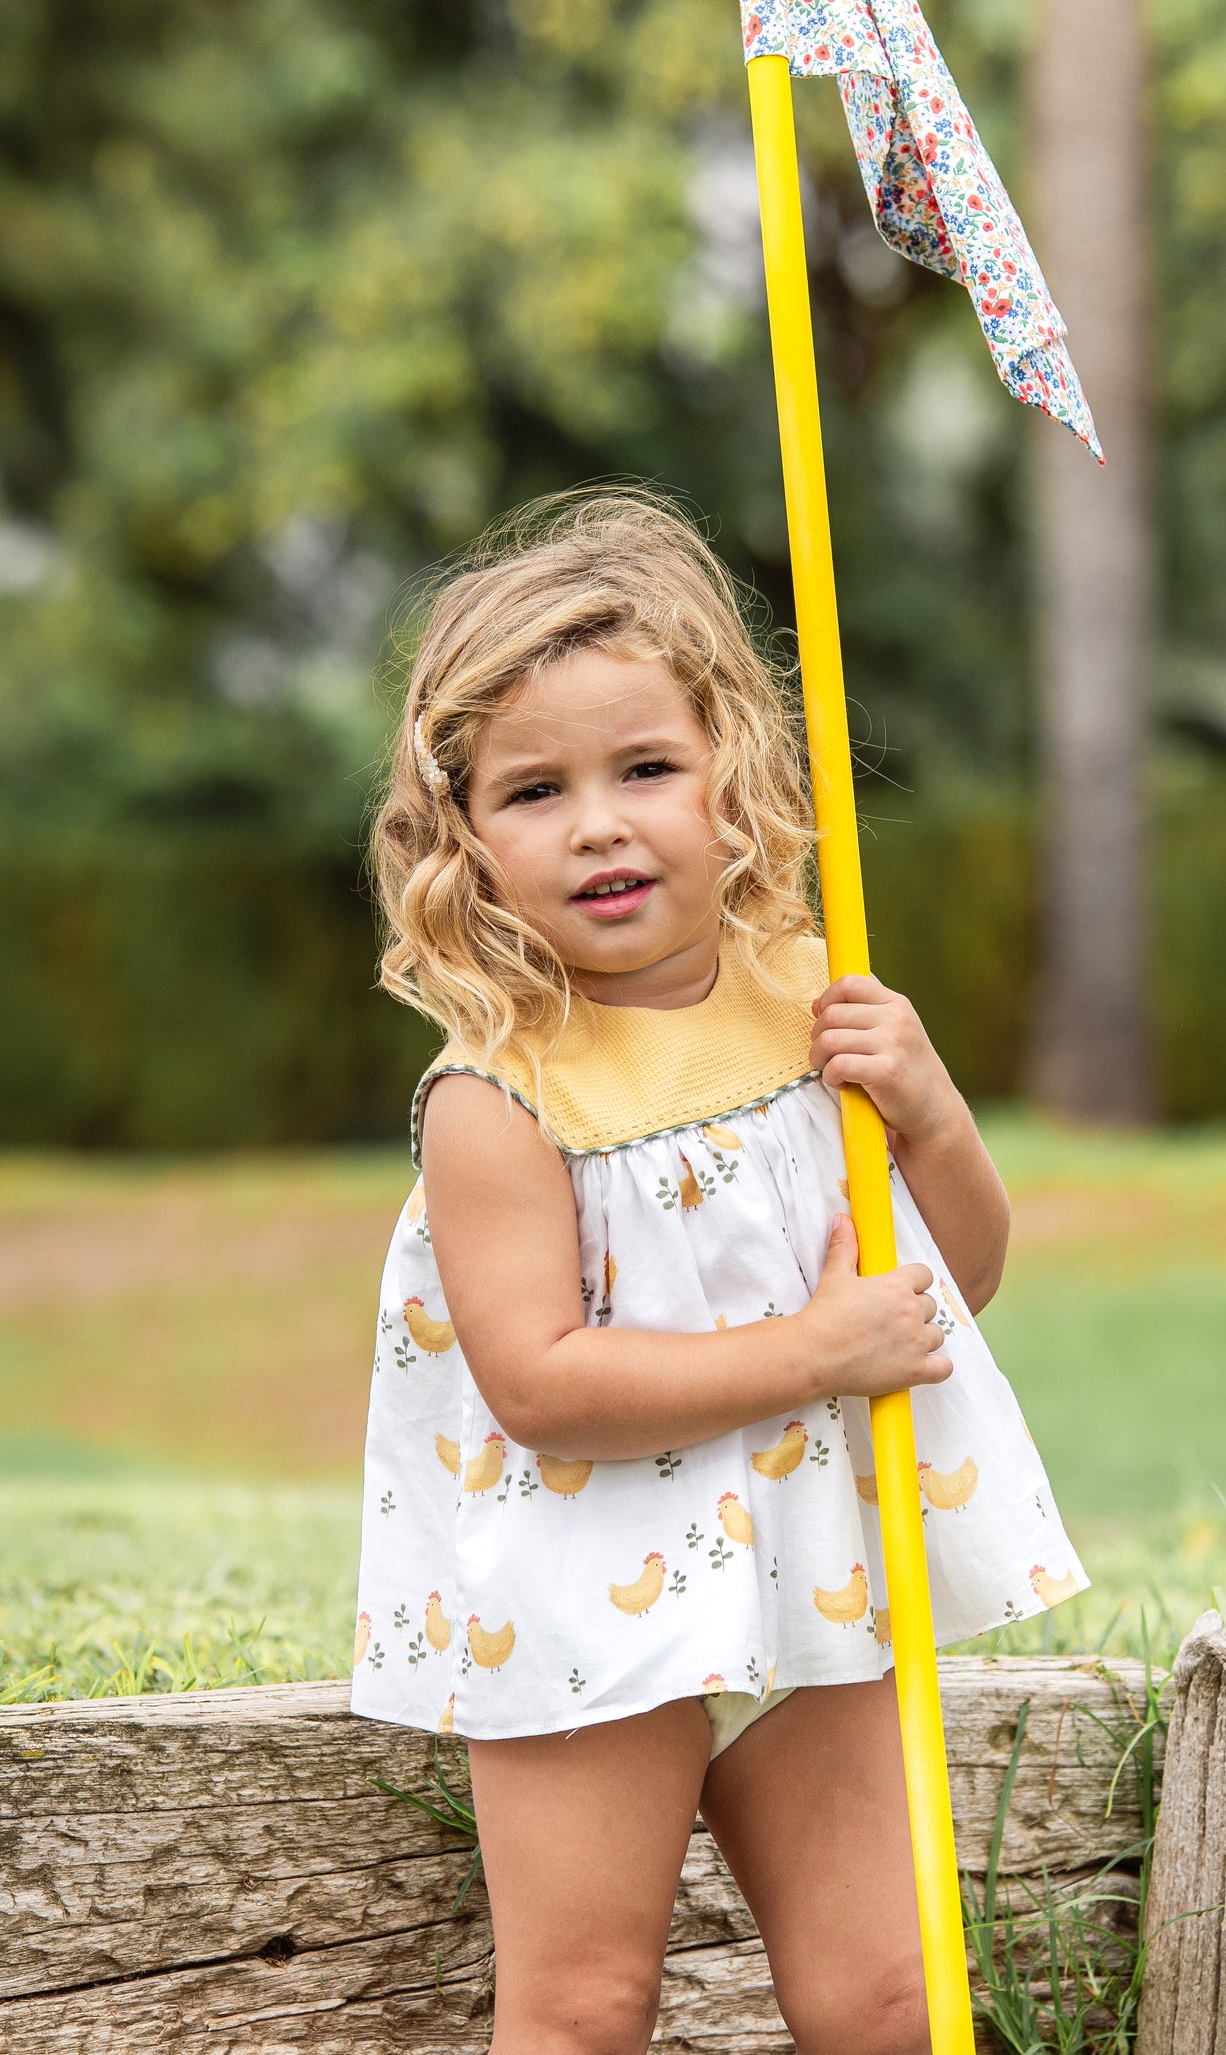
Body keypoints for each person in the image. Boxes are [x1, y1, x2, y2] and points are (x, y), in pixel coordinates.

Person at [351, 489, 1088, 2055]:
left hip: (809, 1573)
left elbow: (940, 1285)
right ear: (464, 838)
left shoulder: (812, 998)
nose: (599, 821)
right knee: (585, 2003)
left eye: (644, 769)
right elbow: (543, 1388)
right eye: (533, 789)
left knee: (889, 1996)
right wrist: (814, 1351)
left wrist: (932, 1111)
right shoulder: (498, 1095)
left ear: (728, 776)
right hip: (586, 1608)